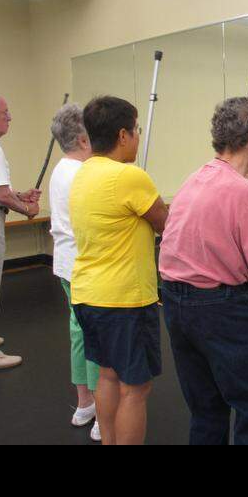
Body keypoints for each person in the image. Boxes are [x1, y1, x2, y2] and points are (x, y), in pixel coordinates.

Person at [159, 97, 248, 445]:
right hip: (224, 312)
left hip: (176, 305)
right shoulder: (246, 192)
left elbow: (208, 240)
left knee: (206, 409)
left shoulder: (194, 180)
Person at [69, 96, 169, 445]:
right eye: (136, 130)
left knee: (108, 377)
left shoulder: (83, 173)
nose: (138, 137)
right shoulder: (129, 177)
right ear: (123, 135)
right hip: (124, 301)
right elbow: (165, 224)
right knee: (136, 388)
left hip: (87, 296)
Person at [47, 103, 101, 441]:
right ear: (83, 139)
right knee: (94, 336)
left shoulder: (61, 169)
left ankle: (85, 405)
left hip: (67, 265)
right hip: (85, 267)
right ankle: (102, 413)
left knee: (79, 333)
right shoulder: (83, 174)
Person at [0, 93, 40, 373]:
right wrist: (27, 209)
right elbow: (1, 195)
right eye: (5, 113)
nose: (10, 118)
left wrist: (20, 195)